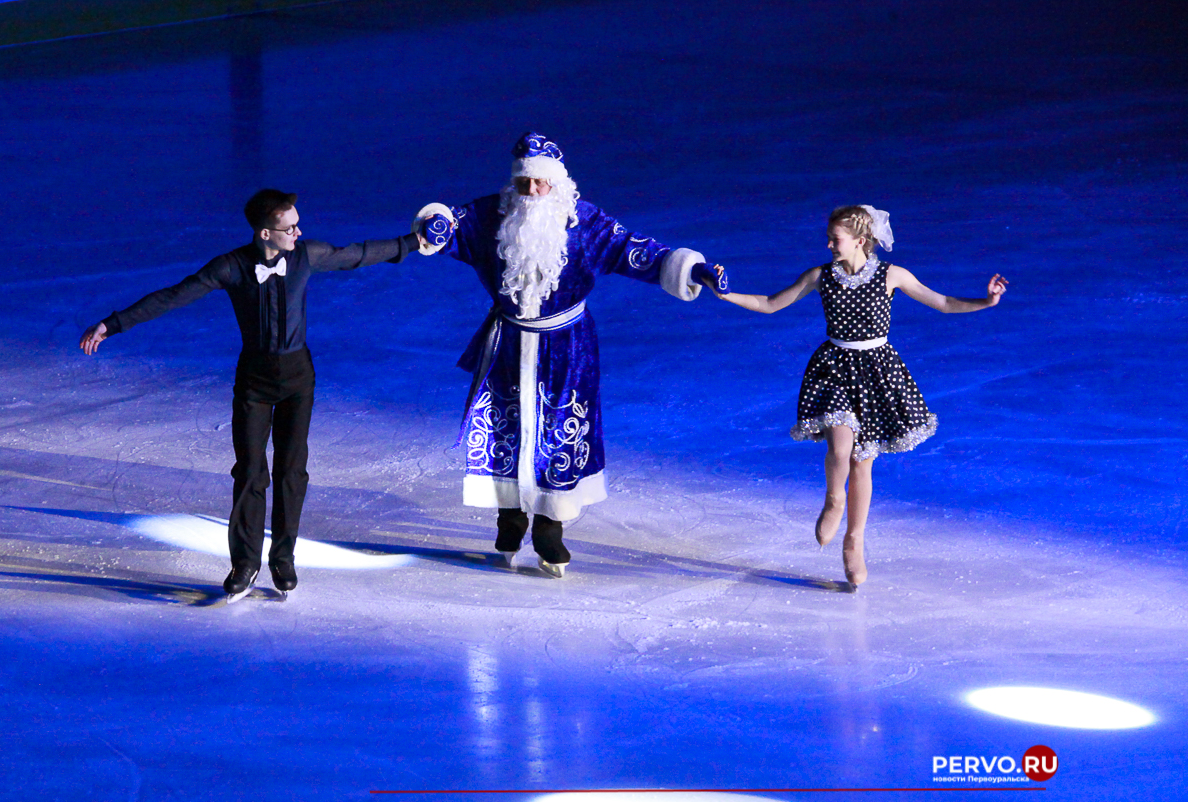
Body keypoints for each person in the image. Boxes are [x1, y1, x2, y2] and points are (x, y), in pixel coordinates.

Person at [411, 132, 729, 578]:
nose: (532, 191)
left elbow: (636, 251)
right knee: (505, 428)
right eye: (524, 183)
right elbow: (451, 224)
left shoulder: (586, 223)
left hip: (568, 351)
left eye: (541, 182)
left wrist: (692, 269)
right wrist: (436, 224)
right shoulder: (493, 215)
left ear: (558, 183)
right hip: (508, 344)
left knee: (560, 433)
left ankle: (549, 528)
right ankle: (509, 522)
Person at [80, 189, 423, 601]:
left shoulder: (306, 255)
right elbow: (175, 295)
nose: (298, 232)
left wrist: (414, 241)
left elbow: (358, 254)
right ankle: (245, 563)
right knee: (249, 472)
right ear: (265, 233)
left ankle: (283, 558)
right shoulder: (231, 266)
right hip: (254, 381)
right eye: (289, 228)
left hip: (298, 378)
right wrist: (113, 324)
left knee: (291, 471)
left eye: (297, 225)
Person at [714, 205, 1007, 589]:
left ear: (860, 240)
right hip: (834, 369)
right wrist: (726, 295)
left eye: (835, 238)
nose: (828, 244)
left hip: (877, 374)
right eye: (829, 238)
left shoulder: (892, 275)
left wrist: (987, 302)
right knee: (840, 447)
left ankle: (854, 541)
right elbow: (770, 303)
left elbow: (943, 303)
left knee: (861, 463)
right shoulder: (820, 276)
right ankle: (834, 500)